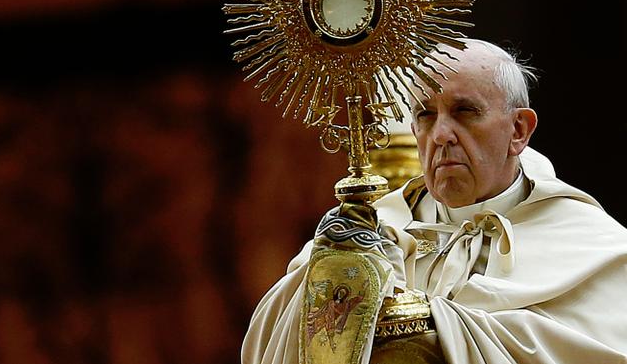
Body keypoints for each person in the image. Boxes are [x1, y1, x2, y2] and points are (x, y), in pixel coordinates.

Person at [241, 39, 627, 364]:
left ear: (519, 130)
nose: (441, 134)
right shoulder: (375, 228)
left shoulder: (593, 245)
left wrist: (429, 322)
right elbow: (268, 346)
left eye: (465, 112)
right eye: (426, 115)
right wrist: (326, 274)